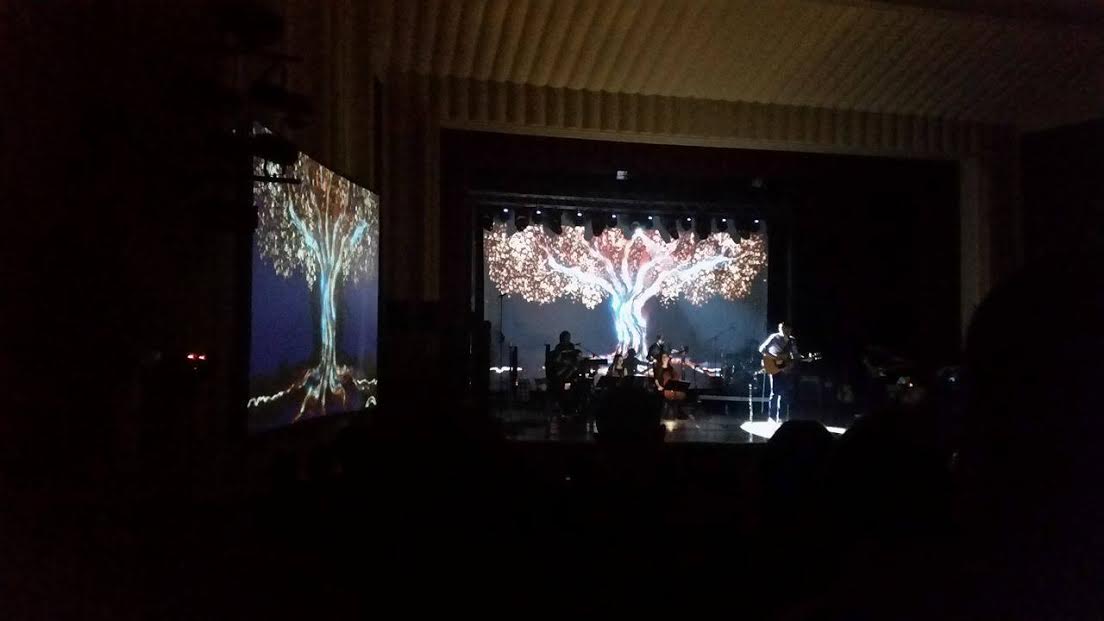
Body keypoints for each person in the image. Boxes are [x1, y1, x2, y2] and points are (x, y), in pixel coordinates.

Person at [759, 321, 799, 422]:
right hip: (774, 366)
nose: (785, 331)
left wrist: (804, 358)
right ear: (780, 329)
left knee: (785, 392)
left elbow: (795, 354)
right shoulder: (774, 337)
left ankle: (782, 417)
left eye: (787, 329)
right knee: (775, 392)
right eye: (783, 328)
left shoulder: (792, 340)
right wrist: (775, 357)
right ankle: (772, 417)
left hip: (785, 367)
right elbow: (762, 349)